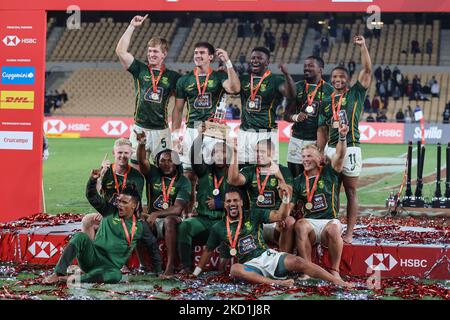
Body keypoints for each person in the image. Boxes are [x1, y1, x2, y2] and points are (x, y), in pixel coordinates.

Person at [192, 187, 352, 288]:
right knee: (235, 269)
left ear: (241, 202)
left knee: (299, 261)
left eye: (235, 200)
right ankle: (279, 283)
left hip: (267, 256)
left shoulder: (253, 214)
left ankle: (337, 281)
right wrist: (195, 273)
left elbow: (280, 215)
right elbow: (208, 250)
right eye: (228, 201)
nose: (232, 204)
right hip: (250, 266)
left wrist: (286, 199)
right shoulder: (218, 227)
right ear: (224, 204)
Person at [43, 175, 161, 285]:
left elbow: (152, 246)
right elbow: (92, 196)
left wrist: (158, 271)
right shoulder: (109, 211)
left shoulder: (140, 226)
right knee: (80, 236)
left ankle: (74, 279)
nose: (119, 205)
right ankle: (58, 273)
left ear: (134, 205)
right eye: (119, 201)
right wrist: (92, 180)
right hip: (92, 257)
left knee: (116, 276)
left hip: (110, 268)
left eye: (124, 202)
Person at [172, 42, 240, 212]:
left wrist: (228, 62)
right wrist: (175, 136)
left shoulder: (218, 77)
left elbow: (235, 88)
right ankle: (188, 215)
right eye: (195, 52)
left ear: (210, 57)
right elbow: (178, 109)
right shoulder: (184, 80)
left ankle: (214, 212)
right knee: (189, 176)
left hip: (213, 129)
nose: (198, 55)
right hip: (192, 129)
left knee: (214, 173)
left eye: (202, 53)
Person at [317, 35, 372, 244]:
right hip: (331, 148)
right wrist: (320, 151)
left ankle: (349, 231)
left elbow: (367, 70)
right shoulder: (325, 102)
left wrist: (363, 46)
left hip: (351, 147)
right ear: (331, 80)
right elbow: (322, 128)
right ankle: (332, 228)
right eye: (335, 77)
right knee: (331, 190)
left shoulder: (356, 94)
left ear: (347, 79)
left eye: (341, 77)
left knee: (350, 190)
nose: (338, 79)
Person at [116, 15, 181, 171]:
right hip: (140, 128)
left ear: (164, 54)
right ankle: (134, 196)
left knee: (164, 172)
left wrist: (177, 133)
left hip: (161, 131)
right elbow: (120, 52)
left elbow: (180, 104)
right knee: (134, 170)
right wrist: (131, 26)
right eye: (150, 51)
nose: (151, 54)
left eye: (156, 51)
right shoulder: (140, 69)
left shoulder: (173, 77)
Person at [292, 124, 349, 280]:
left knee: (333, 229)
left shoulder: (330, 172)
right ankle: (308, 271)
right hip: (310, 223)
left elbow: (341, 155)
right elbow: (290, 206)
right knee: (300, 225)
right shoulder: (298, 181)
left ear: (319, 158)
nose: (305, 160)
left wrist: (342, 137)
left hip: (329, 221)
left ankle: (334, 271)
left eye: (309, 156)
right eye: (303, 157)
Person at [135, 131, 192, 277]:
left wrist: (156, 213)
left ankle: (170, 266)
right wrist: (141, 144)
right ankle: (144, 265)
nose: (166, 164)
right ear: (157, 162)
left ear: (176, 162)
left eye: (170, 160)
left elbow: (178, 209)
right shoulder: (153, 173)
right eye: (162, 161)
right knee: (138, 224)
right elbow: (141, 161)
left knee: (169, 220)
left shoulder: (182, 181)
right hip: (152, 221)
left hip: (173, 221)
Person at [176, 129, 231, 273]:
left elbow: (241, 203)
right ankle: (186, 267)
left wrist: (219, 204)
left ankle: (224, 270)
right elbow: (194, 155)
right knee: (185, 227)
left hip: (224, 221)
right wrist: (201, 136)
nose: (220, 155)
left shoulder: (233, 175)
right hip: (203, 221)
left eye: (223, 152)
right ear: (212, 156)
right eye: (216, 152)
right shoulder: (204, 171)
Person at [228, 139, 294, 252]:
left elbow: (288, 195)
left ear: (272, 153)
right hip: (255, 219)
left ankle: (284, 261)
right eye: (257, 151)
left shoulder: (283, 170)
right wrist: (234, 154)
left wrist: (278, 176)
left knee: (289, 221)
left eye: (262, 152)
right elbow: (233, 180)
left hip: (275, 219)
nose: (258, 155)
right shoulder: (250, 171)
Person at [237, 46, 295, 166]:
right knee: (243, 169)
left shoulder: (275, 80)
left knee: (268, 171)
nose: (255, 60)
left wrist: (287, 75)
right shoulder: (243, 79)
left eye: (259, 58)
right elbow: (231, 89)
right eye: (253, 58)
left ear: (267, 62)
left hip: (267, 132)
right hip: (245, 131)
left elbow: (290, 94)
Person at [284, 56, 334, 177]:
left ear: (320, 70)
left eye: (311, 65)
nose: (306, 68)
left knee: (315, 178)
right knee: (294, 177)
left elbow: (331, 121)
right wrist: (296, 117)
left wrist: (323, 146)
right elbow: (286, 115)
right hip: (296, 140)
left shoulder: (329, 91)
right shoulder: (297, 87)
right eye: (305, 66)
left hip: (316, 142)